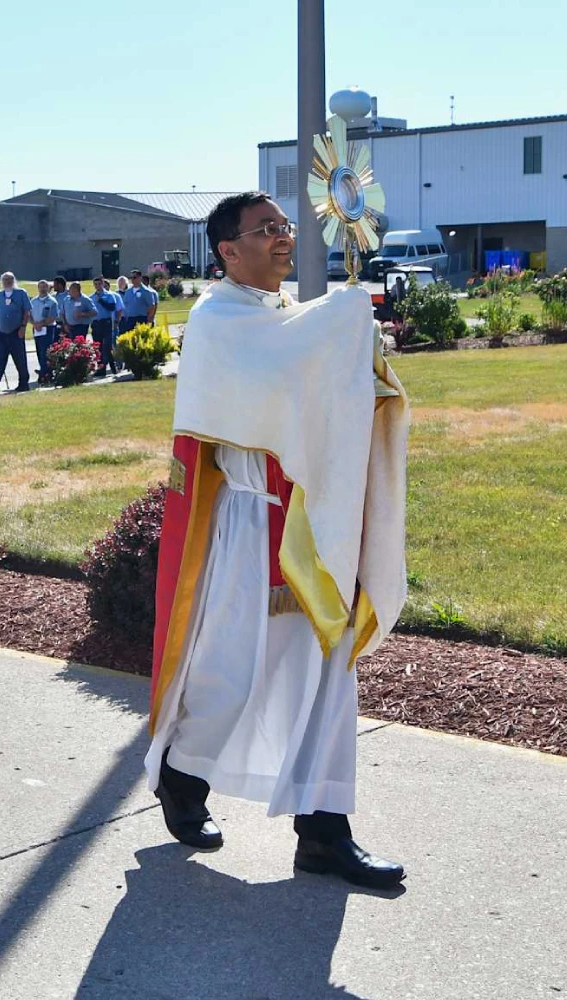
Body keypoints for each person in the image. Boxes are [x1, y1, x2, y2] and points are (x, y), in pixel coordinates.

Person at [147, 192, 410, 889]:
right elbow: (272, 380)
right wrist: (346, 320)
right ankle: (181, 773)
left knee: (328, 672)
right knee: (231, 671)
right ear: (227, 251)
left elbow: (316, 393)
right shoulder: (218, 319)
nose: (281, 237)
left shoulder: (286, 316)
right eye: (264, 230)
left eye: (283, 226)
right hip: (247, 522)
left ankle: (324, 832)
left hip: (314, 521)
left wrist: (363, 371)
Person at [0, 272, 31, 393]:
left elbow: (26, 311)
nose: (7, 282)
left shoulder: (21, 293)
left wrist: (23, 327)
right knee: (0, 359)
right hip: (2, 332)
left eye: (10, 279)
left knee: (19, 358)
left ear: (14, 280)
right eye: (5, 280)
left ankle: (24, 383)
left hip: (16, 331)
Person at [90, 277, 124, 377]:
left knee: (107, 346)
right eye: (95, 284)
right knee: (98, 346)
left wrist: (101, 301)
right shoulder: (91, 297)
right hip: (96, 323)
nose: (97, 286)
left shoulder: (109, 295)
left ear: (102, 284)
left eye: (99, 284)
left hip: (107, 322)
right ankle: (101, 368)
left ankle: (113, 367)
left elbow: (112, 307)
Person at [29, 279, 59, 384]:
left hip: (48, 329)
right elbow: (29, 316)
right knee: (39, 351)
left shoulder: (52, 301)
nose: (42, 289)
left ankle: (45, 375)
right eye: (40, 287)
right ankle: (44, 372)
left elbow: (53, 317)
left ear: (48, 288)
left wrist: (41, 324)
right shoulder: (33, 301)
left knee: (45, 352)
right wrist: (34, 324)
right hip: (37, 330)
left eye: (44, 287)